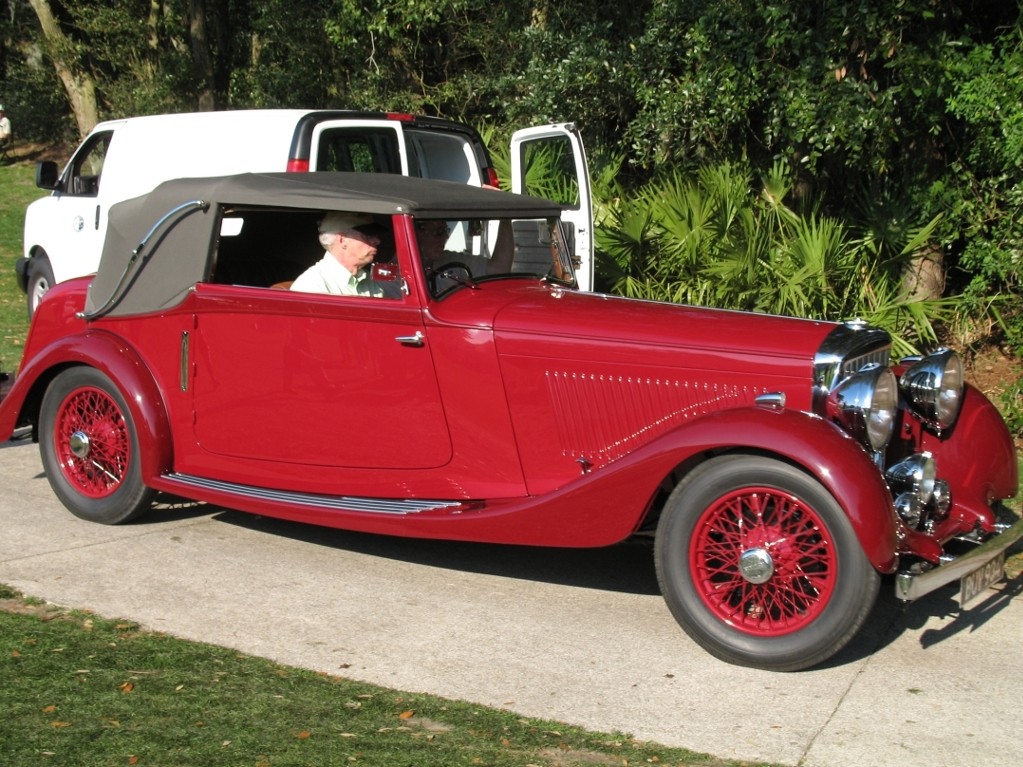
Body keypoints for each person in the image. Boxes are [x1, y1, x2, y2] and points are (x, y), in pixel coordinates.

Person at [291, 212, 401, 298]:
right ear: (343, 240)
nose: (377, 240)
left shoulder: (368, 280)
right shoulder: (312, 286)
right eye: (367, 235)